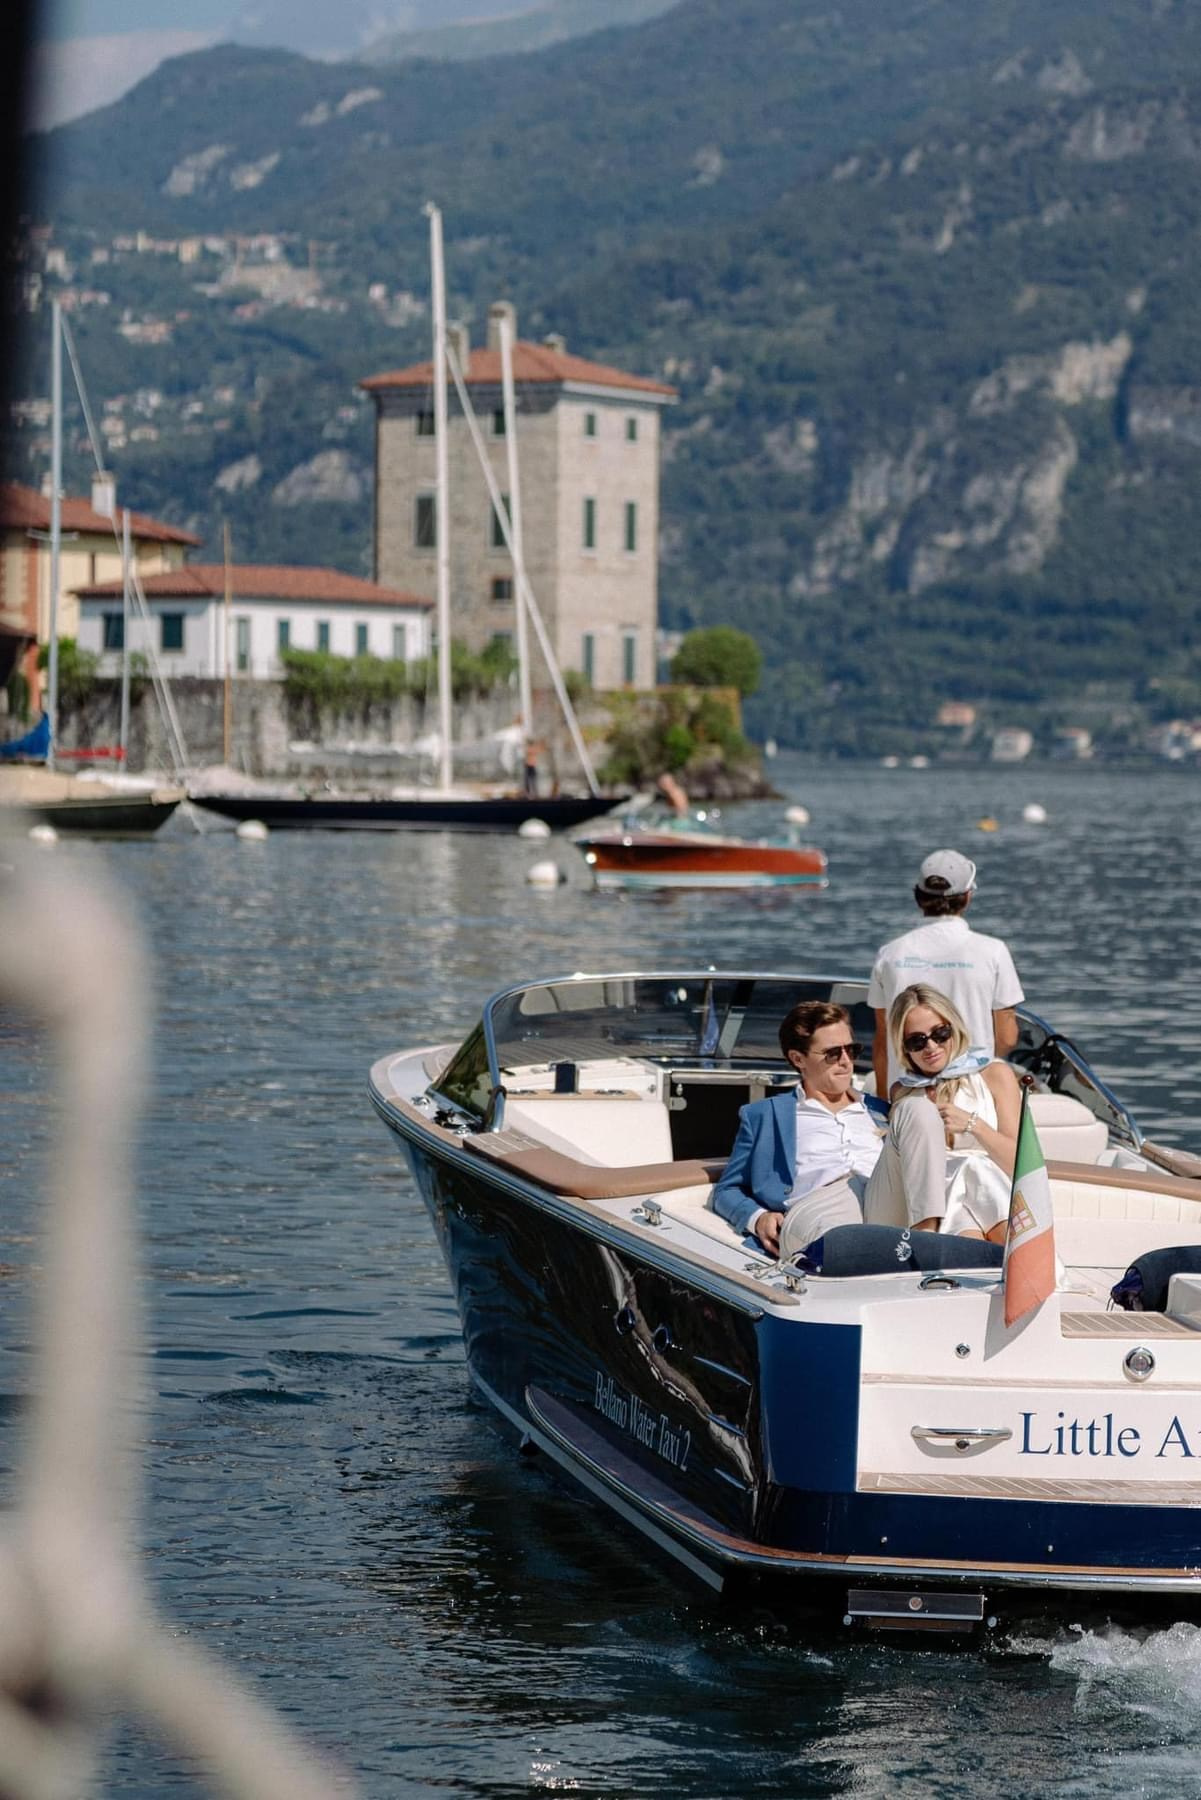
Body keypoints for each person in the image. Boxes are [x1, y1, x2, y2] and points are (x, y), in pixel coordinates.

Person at [865, 982, 1021, 1242]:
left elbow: (1019, 1163)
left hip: (988, 1192)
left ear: (954, 1028)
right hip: (931, 1202)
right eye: (917, 1041)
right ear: (903, 1046)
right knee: (967, 1183)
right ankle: (1023, 1253)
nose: (931, 1047)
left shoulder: (994, 1074)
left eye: (940, 1033)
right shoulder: (903, 1091)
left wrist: (974, 1125)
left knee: (973, 1168)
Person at [869, 848, 1023, 1098]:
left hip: (908, 1096)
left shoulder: (890, 954)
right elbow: (1006, 1037)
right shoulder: (993, 951)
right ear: (967, 897)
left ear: (918, 896)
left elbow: (883, 1040)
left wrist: (886, 1102)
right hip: (973, 1096)